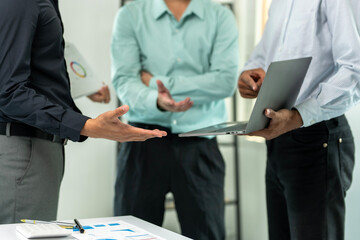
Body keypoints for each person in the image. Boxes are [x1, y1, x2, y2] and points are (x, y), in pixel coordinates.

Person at [0, 0, 167, 224]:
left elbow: (31, 54)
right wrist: (86, 126)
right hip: (23, 149)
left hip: (32, 147)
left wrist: (80, 83)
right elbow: (8, 92)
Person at [111, 0, 239, 239]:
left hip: (200, 143)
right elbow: (124, 81)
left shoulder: (221, 17)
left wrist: (154, 82)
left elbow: (224, 82)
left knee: (207, 234)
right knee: (129, 235)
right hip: (142, 142)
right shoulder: (130, 15)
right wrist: (157, 101)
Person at [238, 0, 360, 239]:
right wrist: (249, 76)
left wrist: (299, 116)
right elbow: (264, 55)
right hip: (278, 137)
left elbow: (355, 69)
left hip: (316, 138)